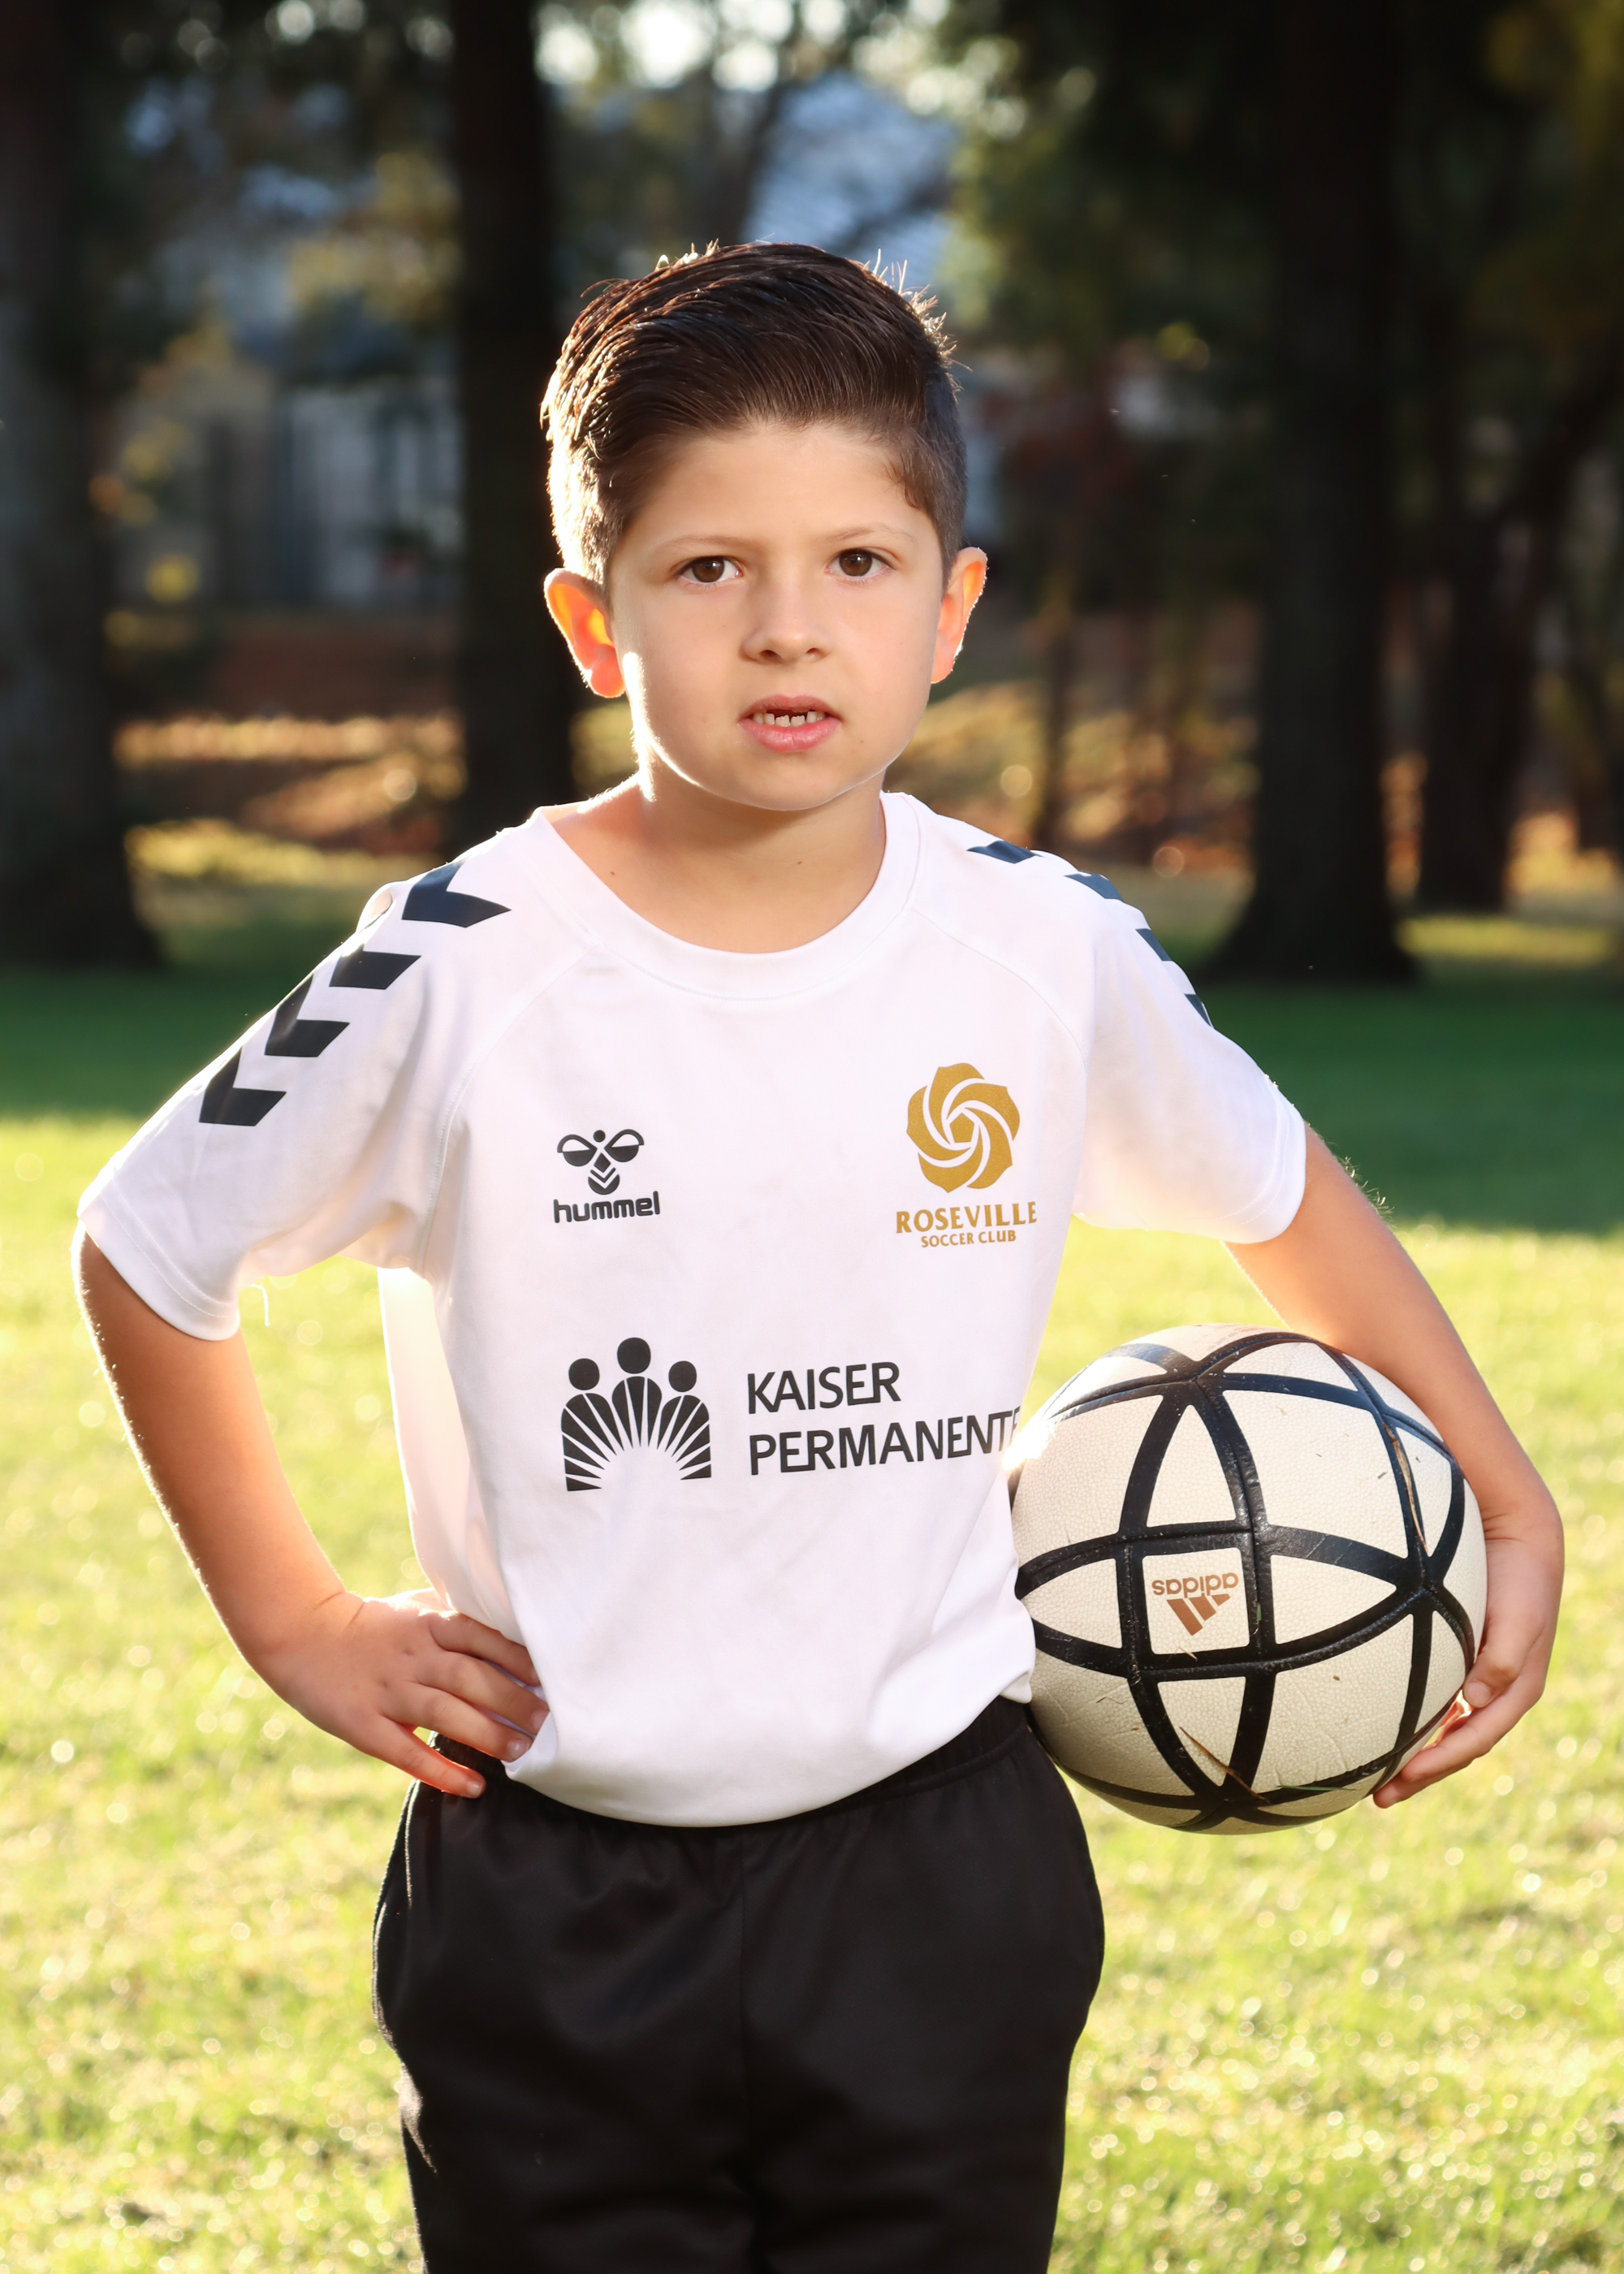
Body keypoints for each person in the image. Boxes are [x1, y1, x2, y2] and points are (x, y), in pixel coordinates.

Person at [74, 243, 1563, 2273]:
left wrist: (1500, 1489)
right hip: (556, 1888)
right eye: (708, 569)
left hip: (940, 1859)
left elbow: (1277, 1190)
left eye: (858, 562)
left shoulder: (1038, 948)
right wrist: (295, 1616)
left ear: (950, 609)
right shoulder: (460, 962)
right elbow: (149, 1239)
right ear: (593, 622)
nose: (788, 624)